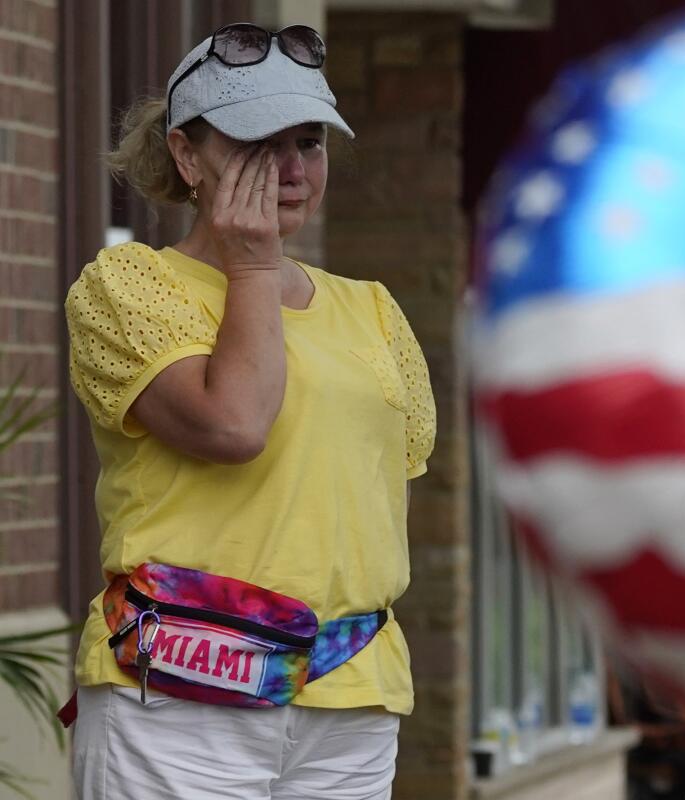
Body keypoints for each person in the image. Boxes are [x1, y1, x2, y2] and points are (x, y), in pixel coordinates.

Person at [62, 23, 435, 800]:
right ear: (188, 156)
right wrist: (256, 264)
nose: (292, 168)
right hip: (178, 693)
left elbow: (370, 504)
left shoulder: (373, 309)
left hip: (351, 696)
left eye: (311, 141)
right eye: (259, 142)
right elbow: (233, 426)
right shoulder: (126, 285)